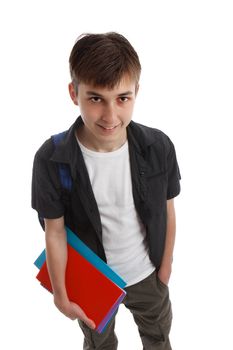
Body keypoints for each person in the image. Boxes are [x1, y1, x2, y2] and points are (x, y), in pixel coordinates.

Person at [31, 32, 181, 350]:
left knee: (158, 336)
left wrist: (165, 267)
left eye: (122, 98)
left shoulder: (158, 146)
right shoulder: (51, 158)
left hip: (147, 273)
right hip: (93, 281)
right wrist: (61, 293)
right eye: (96, 98)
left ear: (136, 92)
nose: (111, 116)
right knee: (99, 344)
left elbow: (167, 208)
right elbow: (54, 232)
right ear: (74, 93)